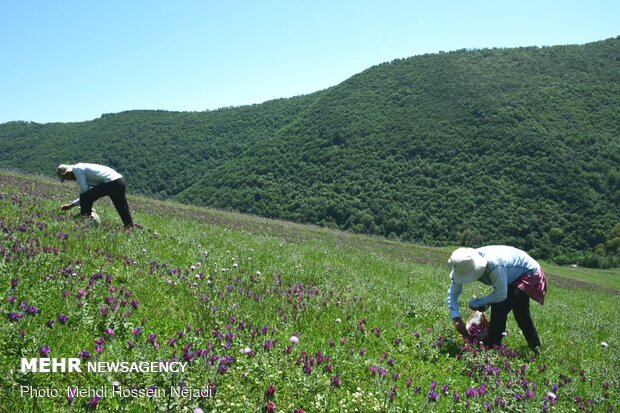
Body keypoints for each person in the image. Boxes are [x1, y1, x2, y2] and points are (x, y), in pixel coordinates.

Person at [446, 245, 547, 351]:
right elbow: (453, 294)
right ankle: (536, 348)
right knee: (521, 313)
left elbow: (501, 294)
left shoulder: (493, 264)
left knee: (500, 307)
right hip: (510, 274)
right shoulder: (462, 264)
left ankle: (491, 348)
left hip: (528, 272)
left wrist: (481, 302)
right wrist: (457, 319)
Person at [57, 163, 134, 228]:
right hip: (119, 181)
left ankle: (85, 223)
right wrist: (71, 205)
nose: (68, 180)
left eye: (65, 178)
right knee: (121, 206)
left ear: (67, 173)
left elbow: (84, 192)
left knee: (85, 197)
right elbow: (89, 192)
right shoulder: (82, 168)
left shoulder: (76, 169)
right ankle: (129, 227)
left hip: (111, 182)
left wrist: (73, 205)